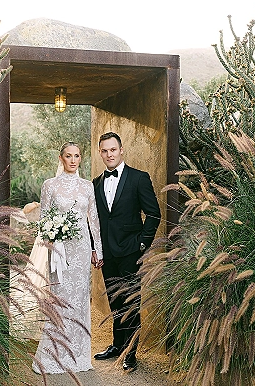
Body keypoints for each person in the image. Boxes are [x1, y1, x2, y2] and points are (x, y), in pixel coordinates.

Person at [32, 142, 104, 374]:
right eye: (69, 156)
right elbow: (44, 219)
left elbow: (93, 220)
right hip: (60, 251)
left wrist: (97, 250)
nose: (73, 160)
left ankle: (78, 354)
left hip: (81, 248)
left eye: (77, 156)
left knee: (80, 299)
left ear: (80, 159)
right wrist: (52, 241)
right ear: (61, 158)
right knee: (59, 298)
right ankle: (55, 353)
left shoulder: (87, 187)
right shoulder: (49, 185)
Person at [92, 132, 161, 372]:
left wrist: (142, 244)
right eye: (104, 151)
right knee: (115, 302)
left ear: (121, 150)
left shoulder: (139, 178)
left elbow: (154, 213)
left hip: (132, 252)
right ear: (100, 153)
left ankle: (131, 352)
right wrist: (95, 248)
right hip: (108, 254)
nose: (109, 154)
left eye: (113, 150)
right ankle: (118, 344)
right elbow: (95, 221)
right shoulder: (96, 183)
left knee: (131, 303)